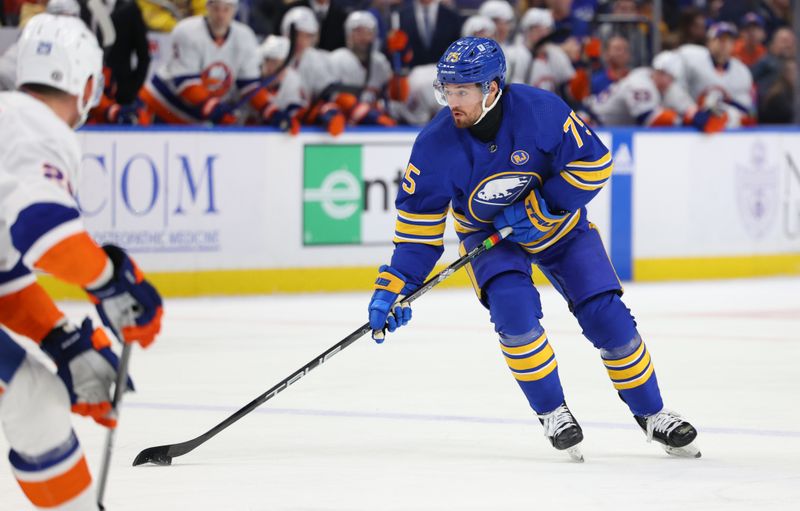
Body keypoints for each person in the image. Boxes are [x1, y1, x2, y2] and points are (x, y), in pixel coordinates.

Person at [366, 36, 700, 461]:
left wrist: (547, 206)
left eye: (462, 91)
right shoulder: (433, 145)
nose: (452, 101)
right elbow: (417, 234)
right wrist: (392, 287)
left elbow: (594, 163)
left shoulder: (541, 110)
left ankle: (653, 414)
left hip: (560, 228)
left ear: (492, 89)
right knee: (514, 316)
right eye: (446, 90)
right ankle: (553, 412)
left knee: (608, 317)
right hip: (491, 240)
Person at [0, 13, 163, 510]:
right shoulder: (35, 126)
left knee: (37, 402)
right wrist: (113, 283)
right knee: (35, 401)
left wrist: (59, 336)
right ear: (87, 83)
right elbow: (41, 227)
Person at [140, 0, 271, 125]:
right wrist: (214, 107)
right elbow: (185, 83)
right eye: (216, 8)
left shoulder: (245, 36)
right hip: (165, 105)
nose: (221, 15)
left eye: (226, 9)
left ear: (234, 10)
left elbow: (249, 85)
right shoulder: (187, 31)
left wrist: (269, 109)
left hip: (201, 113)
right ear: (207, 8)